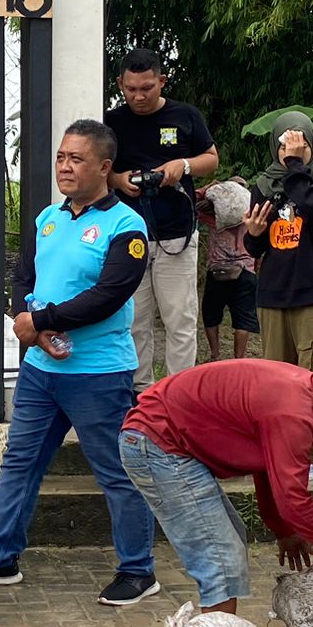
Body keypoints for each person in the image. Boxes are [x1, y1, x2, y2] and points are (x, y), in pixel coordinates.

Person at [0, 120, 161, 605]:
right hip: (43, 371)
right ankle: (0, 559)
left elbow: (109, 295)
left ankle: (138, 570)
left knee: (115, 472)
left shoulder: (126, 226)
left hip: (99, 373)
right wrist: (29, 318)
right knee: (20, 463)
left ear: (104, 167)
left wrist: (39, 321)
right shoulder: (48, 217)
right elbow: (25, 273)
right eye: (62, 157)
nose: (64, 166)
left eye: (76, 159)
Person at [120, 349, 313, 614]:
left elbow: (267, 468)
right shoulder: (294, 415)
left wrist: (283, 529)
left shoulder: (301, 396)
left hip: (159, 438)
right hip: (156, 443)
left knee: (228, 543)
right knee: (221, 559)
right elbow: (294, 503)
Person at [104, 49, 219, 391]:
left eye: (147, 88)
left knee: (179, 320)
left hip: (176, 234)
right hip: (128, 234)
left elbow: (211, 159)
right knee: (133, 320)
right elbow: (99, 168)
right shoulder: (112, 122)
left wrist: (180, 167)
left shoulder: (186, 116)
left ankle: (179, 392)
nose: (138, 96)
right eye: (131, 89)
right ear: (120, 85)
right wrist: (119, 180)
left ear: (162, 81)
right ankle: (140, 393)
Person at [244, 111, 313, 382]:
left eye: (300, 145)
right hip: (273, 297)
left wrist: (296, 167)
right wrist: (253, 234)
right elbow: (256, 247)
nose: (291, 152)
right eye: (284, 146)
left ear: (311, 144)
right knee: (276, 382)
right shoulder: (264, 185)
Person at [198, 176, 258, 361]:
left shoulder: (213, 215)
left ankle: (215, 355)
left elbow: (192, 203)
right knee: (244, 318)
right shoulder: (251, 215)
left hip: (218, 270)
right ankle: (239, 358)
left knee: (211, 314)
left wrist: (208, 188)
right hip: (246, 270)